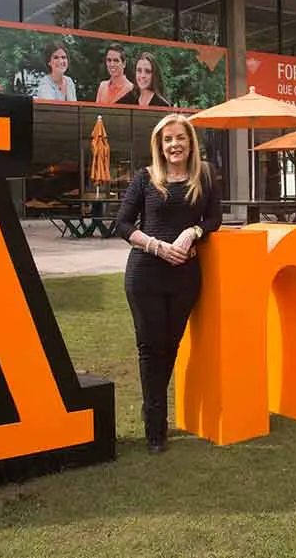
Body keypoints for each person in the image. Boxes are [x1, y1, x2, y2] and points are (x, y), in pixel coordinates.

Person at [113, 113, 222, 454]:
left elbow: (214, 217)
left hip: (185, 277)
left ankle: (152, 411)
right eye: (168, 139)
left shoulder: (203, 175)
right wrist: (158, 246)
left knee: (170, 346)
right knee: (150, 348)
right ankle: (155, 429)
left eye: (180, 138)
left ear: (190, 142)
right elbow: (122, 223)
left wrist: (193, 232)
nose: (174, 144)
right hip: (146, 273)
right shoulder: (145, 178)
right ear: (160, 145)